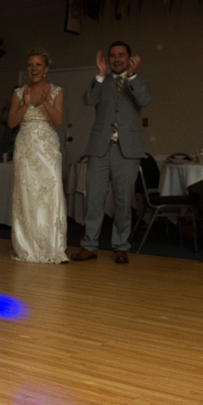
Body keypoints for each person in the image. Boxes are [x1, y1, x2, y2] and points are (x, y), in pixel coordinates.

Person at [71, 41, 151, 264]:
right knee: (94, 200)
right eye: (113, 56)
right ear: (108, 59)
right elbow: (88, 100)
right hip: (99, 150)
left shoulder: (140, 81)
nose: (117, 59)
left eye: (121, 55)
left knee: (123, 202)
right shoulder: (101, 82)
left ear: (129, 58)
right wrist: (99, 74)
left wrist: (132, 77)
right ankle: (89, 246)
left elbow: (144, 100)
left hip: (127, 151)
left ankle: (121, 246)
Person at [7, 48, 69, 263]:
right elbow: (12, 122)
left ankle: (52, 246)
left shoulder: (56, 91)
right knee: (26, 194)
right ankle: (27, 246)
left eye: (38, 65)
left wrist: (44, 102)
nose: (33, 69)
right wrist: (25, 104)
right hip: (25, 147)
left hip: (47, 148)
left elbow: (59, 120)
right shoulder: (18, 92)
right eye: (30, 65)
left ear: (46, 69)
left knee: (50, 192)